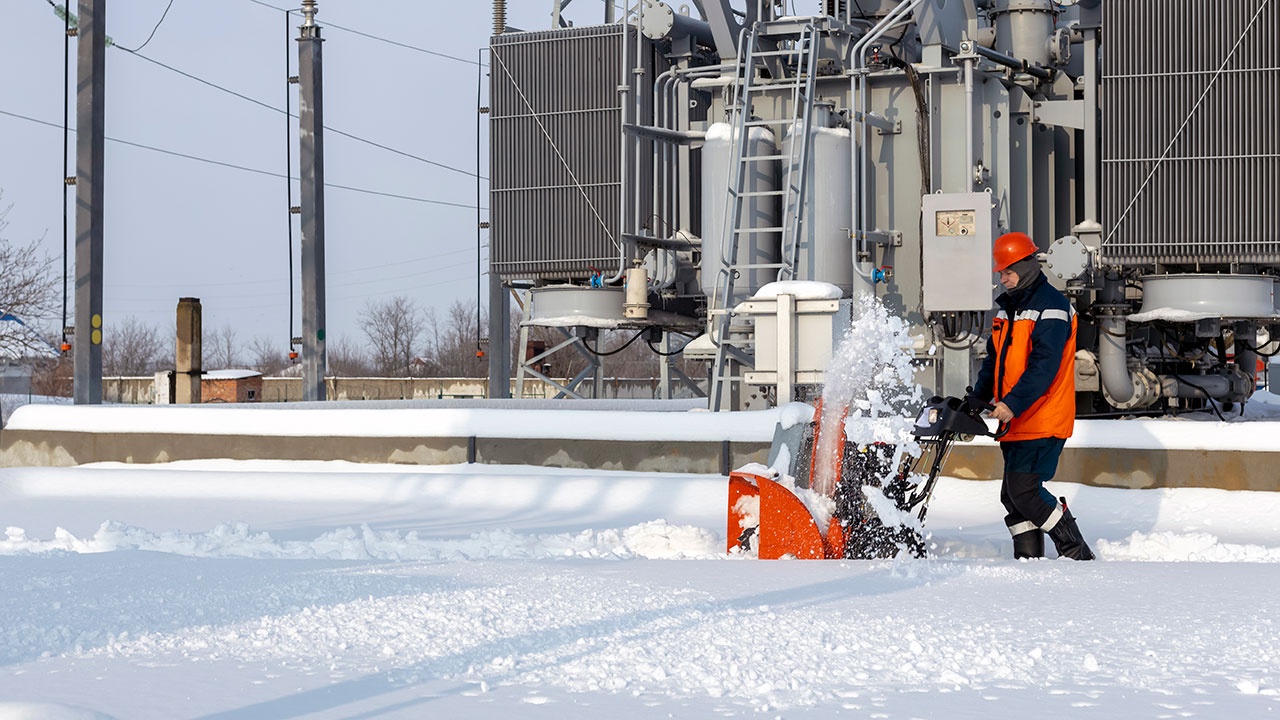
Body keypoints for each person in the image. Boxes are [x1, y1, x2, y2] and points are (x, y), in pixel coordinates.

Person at [968, 231, 1095, 561]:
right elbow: (994, 362)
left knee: (1025, 491)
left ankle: (1077, 553)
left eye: (1007, 271)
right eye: (1001, 273)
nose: (1003, 279)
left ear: (1025, 267)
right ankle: (1028, 562)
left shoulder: (1051, 307)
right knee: (1013, 496)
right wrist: (977, 399)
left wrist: (1013, 403)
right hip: (1016, 420)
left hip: (1042, 416)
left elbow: (1044, 366)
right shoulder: (1008, 310)